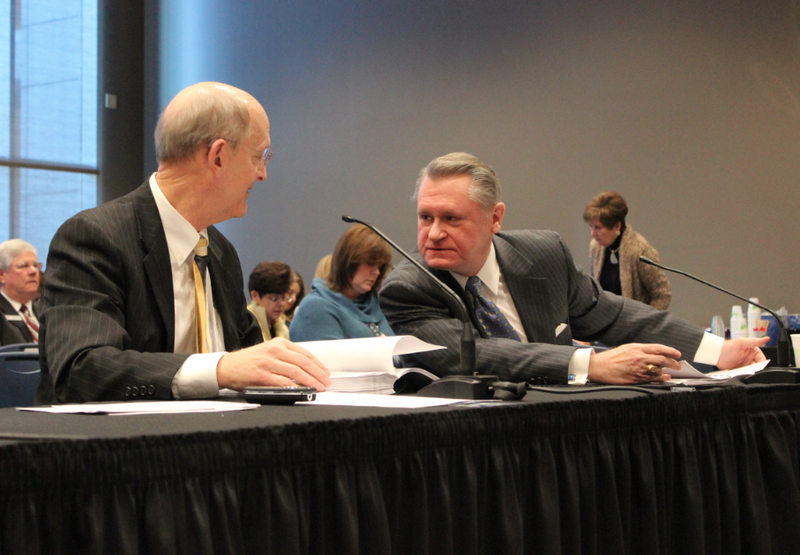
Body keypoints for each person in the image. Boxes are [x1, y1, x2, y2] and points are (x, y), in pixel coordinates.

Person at [37, 82, 330, 404]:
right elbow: (83, 369)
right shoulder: (94, 237)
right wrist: (219, 369)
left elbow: (250, 361)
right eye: (259, 156)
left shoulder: (219, 252)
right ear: (217, 156)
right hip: (123, 448)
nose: (262, 174)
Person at [379, 152, 766, 385]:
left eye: (450, 218)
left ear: (494, 218)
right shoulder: (409, 288)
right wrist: (590, 364)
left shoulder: (543, 254)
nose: (433, 233)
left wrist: (718, 350)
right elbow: (480, 356)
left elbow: (615, 316)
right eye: (425, 217)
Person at [290, 224, 394, 341]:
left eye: (380, 266)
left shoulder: (380, 304)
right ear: (349, 261)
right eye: (370, 263)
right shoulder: (315, 308)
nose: (377, 272)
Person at [583, 192, 671, 310]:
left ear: (617, 226)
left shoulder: (640, 250)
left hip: (635, 324)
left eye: (598, 227)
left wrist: (645, 324)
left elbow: (662, 294)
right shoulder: (596, 247)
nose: (593, 233)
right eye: (591, 226)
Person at [0, 239, 42, 346]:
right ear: (2, 275)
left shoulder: (46, 312)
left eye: (35, 265)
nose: (33, 271)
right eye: (23, 266)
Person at [248, 261, 292, 341]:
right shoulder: (247, 327)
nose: (281, 304)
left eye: (283, 297)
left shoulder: (282, 327)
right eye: (274, 299)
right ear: (255, 296)